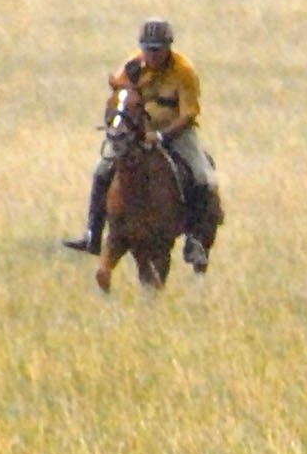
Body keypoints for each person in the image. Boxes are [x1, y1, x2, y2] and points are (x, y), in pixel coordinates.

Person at [62, 18, 223, 267]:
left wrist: (161, 136)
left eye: (157, 49)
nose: (151, 54)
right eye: (147, 47)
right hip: (140, 129)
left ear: (168, 47)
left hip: (177, 132)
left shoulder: (184, 71)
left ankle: (195, 238)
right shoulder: (134, 64)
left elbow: (188, 114)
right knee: (102, 169)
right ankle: (92, 234)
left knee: (202, 176)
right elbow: (119, 90)